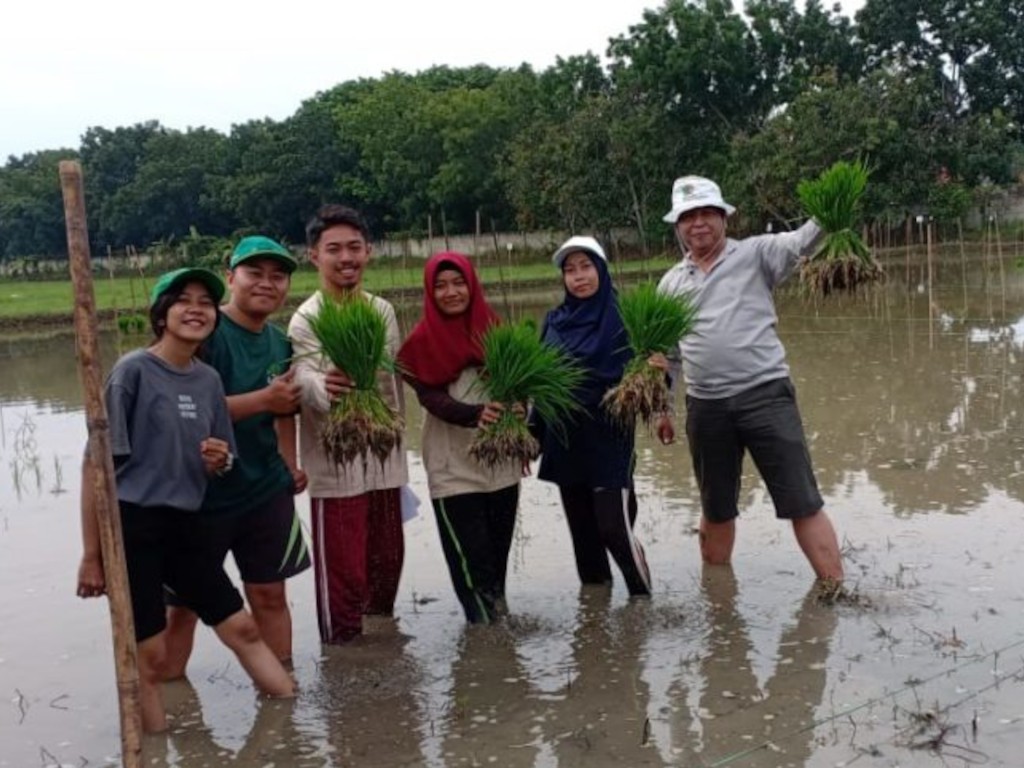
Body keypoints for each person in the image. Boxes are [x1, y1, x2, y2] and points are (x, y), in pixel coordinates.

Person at [75, 268, 295, 733]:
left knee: (243, 628)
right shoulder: (132, 372)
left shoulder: (208, 380)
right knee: (150, 656)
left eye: (205, 302)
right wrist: (92, 556)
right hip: (135, 527)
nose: (196, 309)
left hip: (189, 524)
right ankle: (153, 746)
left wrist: (218, 460)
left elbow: (223, 459)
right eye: (183, 300)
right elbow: (95, 469)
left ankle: (292, 725)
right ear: (161, 314)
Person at [655, 175, 844, 581]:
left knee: (802, 500)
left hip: (766, 396)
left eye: (708, 213)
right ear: (678, 226)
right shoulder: (670, 284)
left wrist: (832, 207)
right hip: (706, 407)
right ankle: (719, 596)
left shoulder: (757, 254)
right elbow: (667, 357)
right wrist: (663, 410)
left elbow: (802, 241)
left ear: (724, 218)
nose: (699, 223)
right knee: (716, 506)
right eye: (689, 216)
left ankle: (834, 588)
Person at [163, 237, 312, 679]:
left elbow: (285, 407)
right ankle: (171, 693)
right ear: (231, 278)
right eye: (255, 273)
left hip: (263, 488)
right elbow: (182, 405)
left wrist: (289, 462)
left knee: (269, 594)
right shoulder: (204, 332)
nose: (267, 283)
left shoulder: (279, 342)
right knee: (183, 606)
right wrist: (264, 399)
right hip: (198, 495)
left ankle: (280, 690)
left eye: (278, 275)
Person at [288, 204, 409, 645]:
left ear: (369, 252)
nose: (346, 258)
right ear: (313, 255)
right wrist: (326, 385)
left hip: (383, 459)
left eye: (354, 247)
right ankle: (342, 665)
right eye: (334, 249)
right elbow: (303, 378)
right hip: (335, 464)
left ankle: (384, 662)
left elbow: (392, 381)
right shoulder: (307, 318)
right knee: (344, 575)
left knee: (386, 565)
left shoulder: (382, 311)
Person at [397, 252, 521, 624]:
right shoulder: (421, 342)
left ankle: (497, 656)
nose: (451, 292)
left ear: (472, 284)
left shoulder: (496, 329)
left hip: (500, 463)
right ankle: (486, 637)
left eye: (458, 283)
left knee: (497, 563)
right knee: (471, 566)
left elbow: (521, 384)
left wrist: (519, 405)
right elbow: (429, 397)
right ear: (429, 293)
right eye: (440, 286)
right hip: (453, 467)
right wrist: (474, 414)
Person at [535, 236, 654, 597]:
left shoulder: (625, 316)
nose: (578, 277)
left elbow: (651, 378)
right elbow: (541, 384)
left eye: (586, 267)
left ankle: (642, 604)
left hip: (609, 436)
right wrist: (531, 436)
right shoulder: (555, 322)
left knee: (613, 529)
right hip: (565, 439)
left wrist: (657, 374)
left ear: (601, 269)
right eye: (570, 270)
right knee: (585, 540)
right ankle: (595, 628)